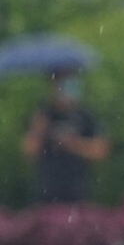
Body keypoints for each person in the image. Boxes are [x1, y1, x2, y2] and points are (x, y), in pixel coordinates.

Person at [20, 70, 109, 204]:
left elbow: (100, 152)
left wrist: (72, 144)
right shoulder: (43, 115)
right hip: (47, 192)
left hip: (78, 191)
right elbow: (29, 151)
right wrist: (38, 130)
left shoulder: (85, 117)